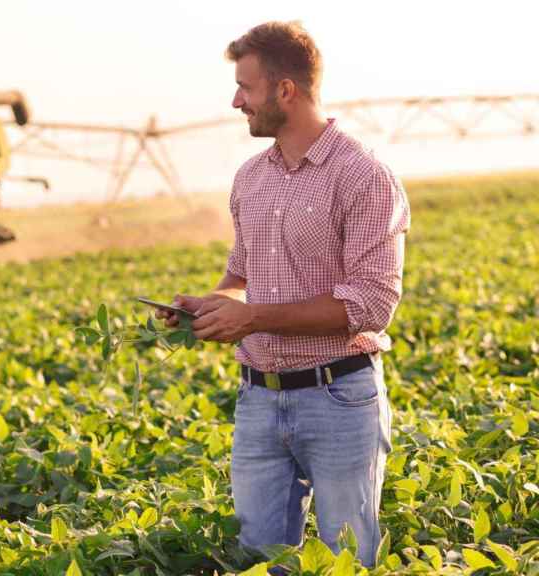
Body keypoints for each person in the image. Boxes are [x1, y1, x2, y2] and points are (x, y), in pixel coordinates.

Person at [158, 21, 410, 569]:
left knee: (346, 559)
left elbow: (369, 304)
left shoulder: (363, 175)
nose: (235, 101)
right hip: (257, 401)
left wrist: (252, 319)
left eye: (245, 88)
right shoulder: (251, 177)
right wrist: (206, 306)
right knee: (257, 558)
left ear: (285, 90)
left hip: (339, 397)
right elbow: (240, 274)